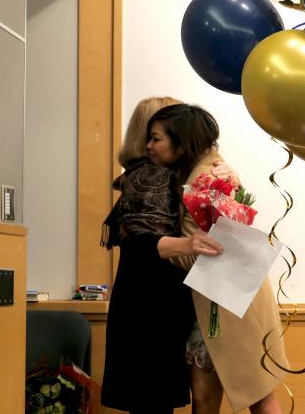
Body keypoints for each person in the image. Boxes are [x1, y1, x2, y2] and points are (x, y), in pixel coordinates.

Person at [100, 99, 225, 413]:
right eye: (153, 135)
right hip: (150, 308)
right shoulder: (151, 178)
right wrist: (186, 245)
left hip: (148, 305)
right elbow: (144, 243)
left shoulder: (155, 175)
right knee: (152, 402)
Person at [168, 115, 290, 414]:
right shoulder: (214, 170)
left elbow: (199, 251)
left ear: (183, 142)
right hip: (226, 299)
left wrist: (160, 247)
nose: (149, 145)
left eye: (157, 138)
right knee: (238, 395)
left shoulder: (206, 178)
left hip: (224, 301)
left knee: (255, 395)